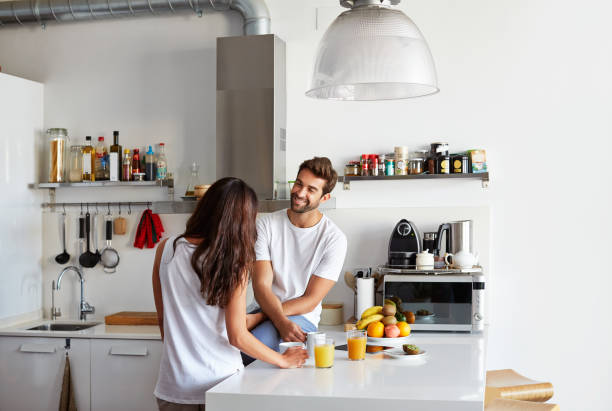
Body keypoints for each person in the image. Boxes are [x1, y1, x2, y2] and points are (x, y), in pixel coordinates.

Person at [152, 177, 308, 411]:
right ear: (242, 221)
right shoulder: (234, 262)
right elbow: (238, 336)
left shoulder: (166, 249)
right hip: (221, 386)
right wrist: (283, 360)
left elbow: (163, 321)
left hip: (173, 389)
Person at [243, 157, 348, 364]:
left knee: (251, 349)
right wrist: (277, 319)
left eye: (311, 189)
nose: (300, 193)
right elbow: (261, 286)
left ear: (324, 198)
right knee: (229, 346)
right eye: (299, 183)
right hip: (262, 308)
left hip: (302, 317)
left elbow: (310, 300)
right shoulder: (266, 225)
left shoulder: (334, 239)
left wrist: (266, 317)